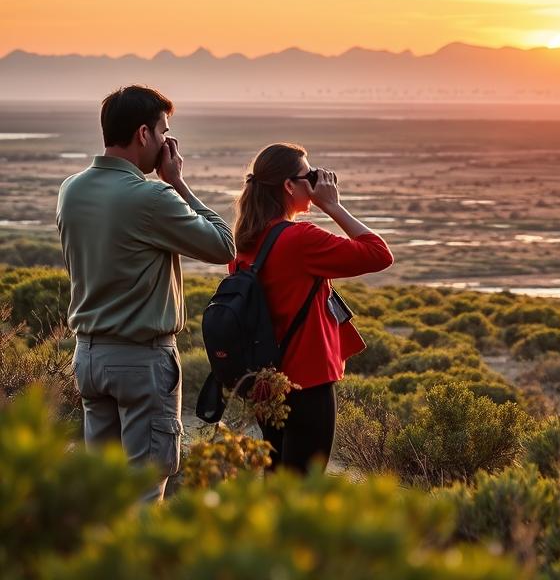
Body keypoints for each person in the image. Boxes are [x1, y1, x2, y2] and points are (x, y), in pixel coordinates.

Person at [57, 86, 236, 500]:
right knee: (143, 489)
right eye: (163, 132)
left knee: (101, 489)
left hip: (89, 355)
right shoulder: (151, 197)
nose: (166, 142)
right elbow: (223, 245)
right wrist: (178, 183)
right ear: (143, 134)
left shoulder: (71, 189)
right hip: (141, 358)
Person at [231, 143, 393, 474]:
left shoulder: (245, 241)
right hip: (308, 381)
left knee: (277, 476)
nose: (316, 181)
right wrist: (333, 206)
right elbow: (379, 253)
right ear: (288, 186)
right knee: (304, 483)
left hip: (265, 382)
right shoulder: (299, 239)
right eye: (309, 175)